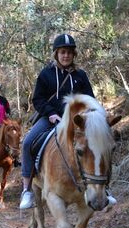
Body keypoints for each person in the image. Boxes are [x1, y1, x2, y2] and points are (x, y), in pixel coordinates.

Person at [19, 33, 95, 209]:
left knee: (99, 143)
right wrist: (51, 113)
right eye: (62, 52)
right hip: (51, 118)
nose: (66, 55)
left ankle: (104, 188)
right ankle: (27, 190)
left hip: (77, 121)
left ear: (73, 54)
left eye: (69, 52)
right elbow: (38, 99)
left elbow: (90, 98)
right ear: (56, 54)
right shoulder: (46, 74)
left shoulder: (81, 76)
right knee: (27, 143)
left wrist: (89, 115)